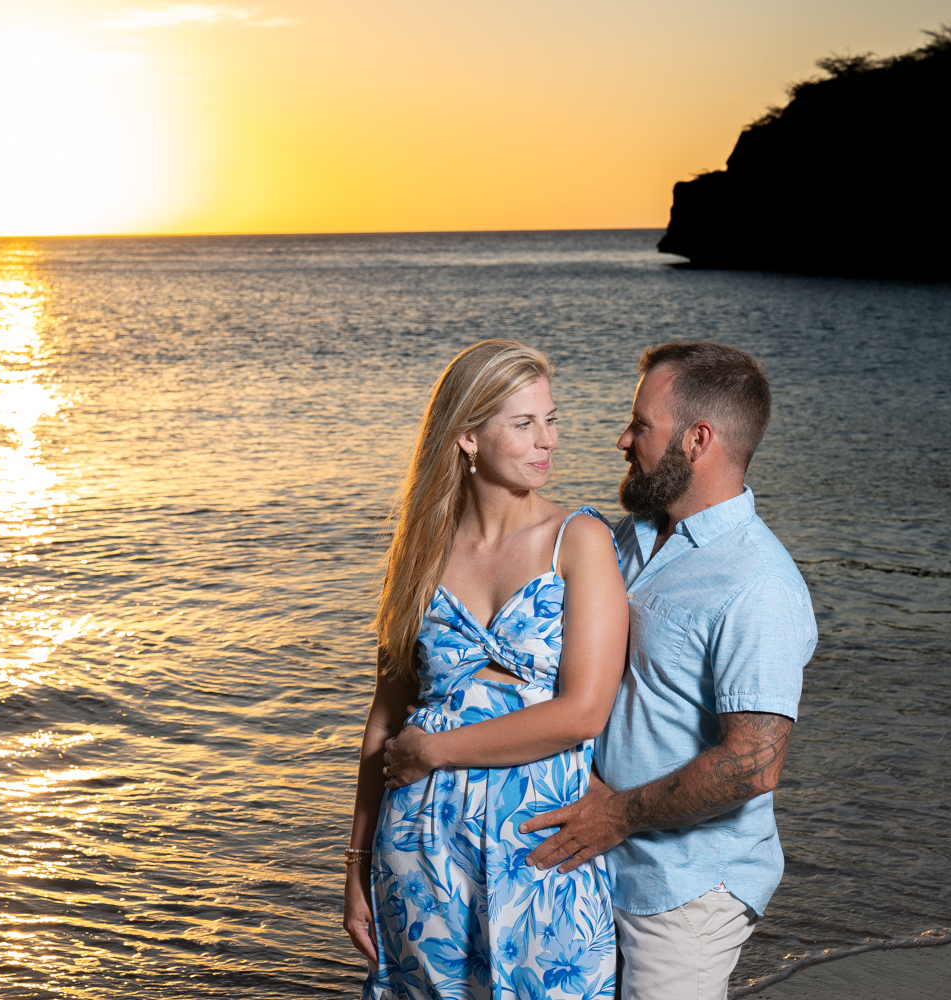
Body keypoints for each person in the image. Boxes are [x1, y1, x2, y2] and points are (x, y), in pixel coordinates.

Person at [518, 341, 818, 1000]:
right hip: (594, 858)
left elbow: (753, 764)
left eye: (641, 426)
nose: (623, 440)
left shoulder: (758, 584)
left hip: (685, 889)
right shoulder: (628, 536)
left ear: (697, 440)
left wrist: (617, 815)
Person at [342, 339, 629, 1000]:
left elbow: (583, 713)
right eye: (524, 424)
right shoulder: (421, 551)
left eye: (550, 420)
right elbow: (384, 717)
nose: (547, 440)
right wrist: (355, 865)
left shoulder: (578, 540)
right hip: (419, 850)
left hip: (541, 846)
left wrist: (435, 750)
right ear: (468, 437)